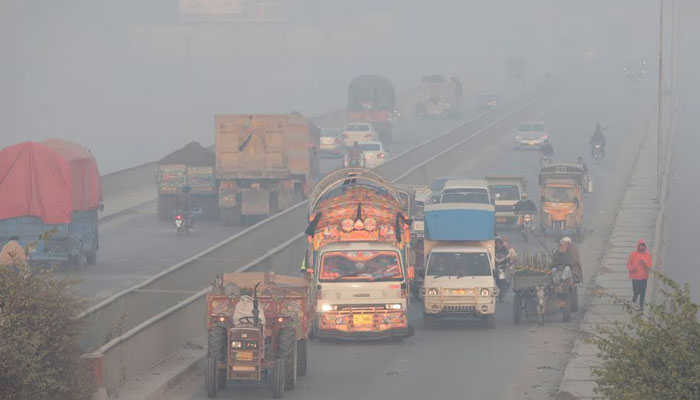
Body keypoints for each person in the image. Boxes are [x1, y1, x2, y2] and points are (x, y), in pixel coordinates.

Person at [627, 239, 652, 310]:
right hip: (635, 277)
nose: (642, 247)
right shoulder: (633, 254)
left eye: (643, 246)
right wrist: (632, 269)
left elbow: (649, 265)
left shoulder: (647, 255)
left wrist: (644, 263)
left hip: (643, 277)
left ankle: (641, 306)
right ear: (638, 246)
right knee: (636, 292)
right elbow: (629, 263)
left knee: (642, 293)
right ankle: (633, 302)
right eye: (640, 246)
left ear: (645, 247)